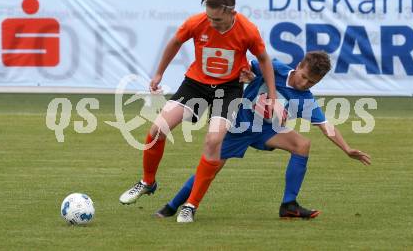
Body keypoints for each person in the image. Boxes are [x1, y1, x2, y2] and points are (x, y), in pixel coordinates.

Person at [154, 51, 371, 223]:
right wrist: (247, 75)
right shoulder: (275, 68)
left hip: (266, 130)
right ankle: (172, 206)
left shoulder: (305, 98)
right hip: (239, 126)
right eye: (304, 77)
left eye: (311, 83)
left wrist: (347, 149)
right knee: (211, 167)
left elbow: (326, 126)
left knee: (302, 144)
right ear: (297, 68)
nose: (305, 84)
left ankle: (289, 205)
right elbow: (245, 66)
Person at [119, 0, 277, 209]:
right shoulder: (196, 22)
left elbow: (264, 59)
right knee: (157, 130)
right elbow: (174, 42)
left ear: (232, 12)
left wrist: (271, 96)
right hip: (195, 85)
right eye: (209, 17)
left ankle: (190, 205)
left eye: (217, 19)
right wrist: (159, 73)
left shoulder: (248, 30)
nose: (212, 23)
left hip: (228, 90)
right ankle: (147, 181)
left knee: (213, 141)